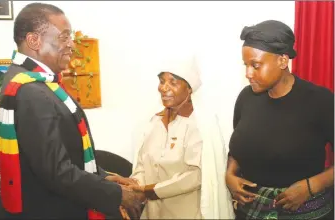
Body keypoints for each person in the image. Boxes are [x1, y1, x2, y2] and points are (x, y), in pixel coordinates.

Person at [0, 3, 144, 219]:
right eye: (64, 37)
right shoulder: (31, 92)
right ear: (33, 41)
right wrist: (116, 195)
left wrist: (102, 177)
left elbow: (63, 156)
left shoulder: (37, 83)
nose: (72, 45)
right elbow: (55, 172)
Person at [226, 20, 334, 219]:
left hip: (307, 212)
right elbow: (237, 149)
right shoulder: (246, 98)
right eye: (246, 65)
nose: (248, 73)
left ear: (283, 61)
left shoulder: (321, 101)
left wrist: (312, 187)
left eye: (255, 65)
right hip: (249, 212)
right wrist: (230, 175)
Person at [129, 51, 235, 219]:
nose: (164, 88)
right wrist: (134, 186)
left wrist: (151, 190)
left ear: (189, 88)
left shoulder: (201, 124)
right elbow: (142, 165)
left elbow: (197, 175)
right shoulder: (154, 122)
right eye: (162, 81)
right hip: (152, 214)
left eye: (173, 82)